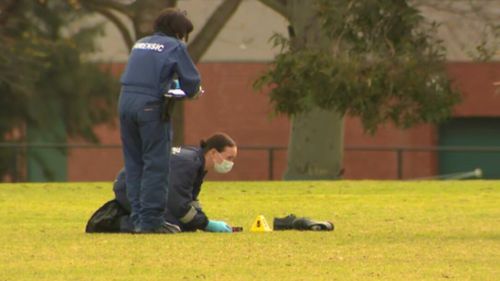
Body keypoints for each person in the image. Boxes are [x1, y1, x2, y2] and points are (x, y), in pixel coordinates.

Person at [118, 8, 202, 233]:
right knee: (156, 164)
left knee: (134, 164)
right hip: (150, 108)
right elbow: (192, 83)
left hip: (125, 103)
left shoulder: (141, 43)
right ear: (178, 31)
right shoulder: (175, 46)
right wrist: (190, 91)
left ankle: (137, 219)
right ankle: (152, 221)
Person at [85, 133, 238, 233]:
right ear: (213, 153)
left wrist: (199, 221)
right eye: (229, 158)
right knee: (168, 228)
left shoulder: (196, 163)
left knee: (185, 225)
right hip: (131, 186)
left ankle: (129, 212)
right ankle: (109, 222)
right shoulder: (189, 163)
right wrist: (207, 225)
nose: (230, 163)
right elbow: (178, 203)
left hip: (142, 187)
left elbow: (190, 199)